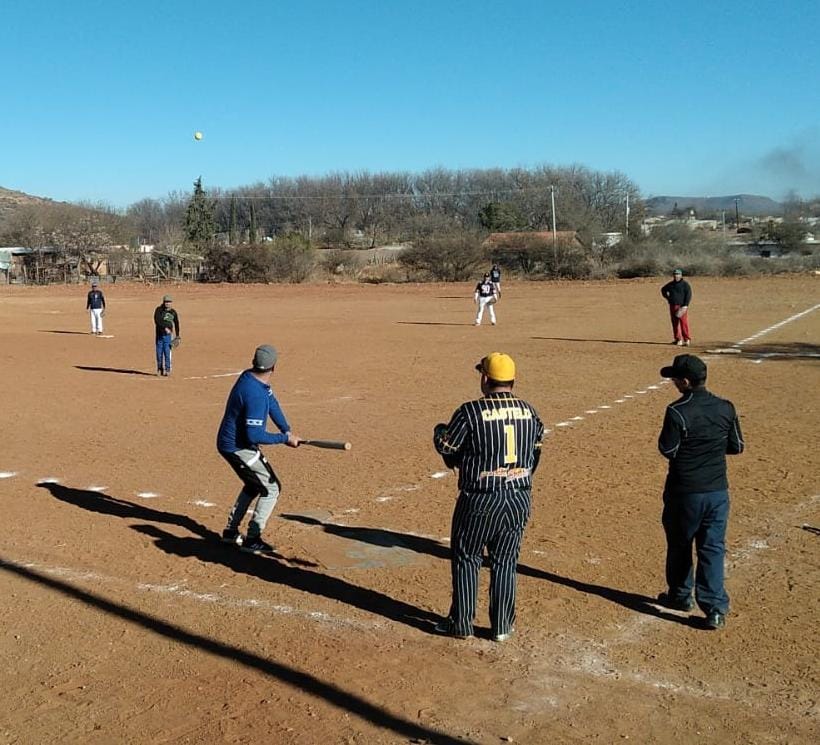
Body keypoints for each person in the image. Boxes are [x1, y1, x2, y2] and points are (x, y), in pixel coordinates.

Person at [433, 352, 544, 641]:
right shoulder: (530, 411)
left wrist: (438, 432)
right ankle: (502, 626)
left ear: (485, 378)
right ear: (512, 380)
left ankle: (461, 623)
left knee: (468, 557)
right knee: (506, 561)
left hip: (480, 497)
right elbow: (536, 451)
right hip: (519, 495)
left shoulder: (470, 411)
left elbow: (447, 446)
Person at [657, 354, 744, 630]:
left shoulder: (677, 411)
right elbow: (736, 446)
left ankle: (681, 596)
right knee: (713, 548)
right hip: (718, 491)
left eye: (674, 378)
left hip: (685, 491)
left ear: (685, 381)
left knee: (680, 544)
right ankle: (715, 608)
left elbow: (667, 449)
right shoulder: (726, 407)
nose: (672, 382)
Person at [216, 344, 301, 554]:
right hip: (238, 447)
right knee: (271, 488)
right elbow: (254, 436)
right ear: (274, 367)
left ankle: (230, 532)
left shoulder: (251, 378)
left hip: (233, 443)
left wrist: (287, 429)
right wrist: (283, 439)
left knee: (253, 484)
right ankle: (253, 538)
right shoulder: (254, 393)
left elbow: (272, 403)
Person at [661, 269, 692, 346]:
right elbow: (663, 290)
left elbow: (688, 295)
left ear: (681, 275)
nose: (676, 276)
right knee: (674, 323)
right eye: (675, 274)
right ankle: (678, 339)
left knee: (683, 323)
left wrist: (685, 306)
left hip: (681, 306)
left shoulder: (685, 285)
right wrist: (668, 298)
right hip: (672, 305)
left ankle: (686, 339)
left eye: (678, 274)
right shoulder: (671, 284)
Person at [153, 294, 180, 376]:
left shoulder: (173, 312)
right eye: (166, 302)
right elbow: (157, 321)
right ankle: (159, 368)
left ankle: (167, 369)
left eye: (169, 302)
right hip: (159, 335)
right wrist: (164, 328)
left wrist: (177, 335)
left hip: (168, 336)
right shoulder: (159, 310)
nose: (167, 303)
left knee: (167, 352)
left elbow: (176, 323)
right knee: (159, 353)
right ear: (163, 302)